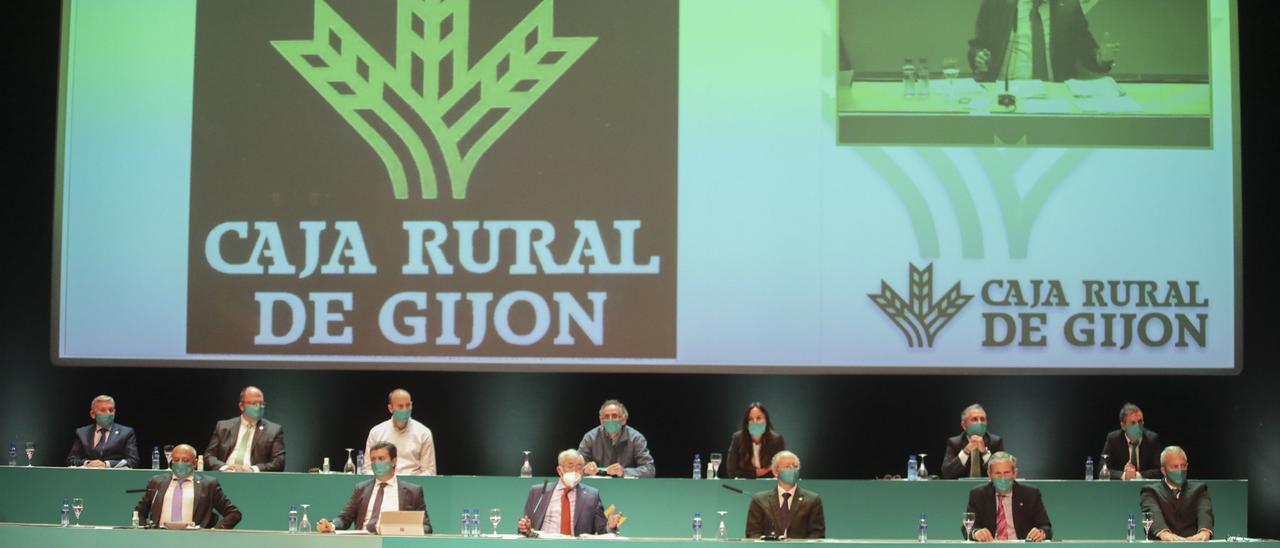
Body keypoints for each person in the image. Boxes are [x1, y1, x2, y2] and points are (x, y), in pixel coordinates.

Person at [967, 0, 1119, 82]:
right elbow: (978, 46)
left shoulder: (1068, 7)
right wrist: (979, 57)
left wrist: (1101, 58)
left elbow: (1086, 48)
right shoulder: (996, 4)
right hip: (1006, 89)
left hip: (1054, 92)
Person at [317, 441, 432, 534]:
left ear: (394, 461)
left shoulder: (413, 491)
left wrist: (405, 530)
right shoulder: (361, 489)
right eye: (373, 459)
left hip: (394, 543)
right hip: (363, 543)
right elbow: (344, 519)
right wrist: (331, 525)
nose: (376, 463)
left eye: (381, 459)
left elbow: (426, 527)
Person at [517, 449, 622, 536]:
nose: (575, 470)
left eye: (579, 466)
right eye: (570, 466)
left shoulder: (592, 495)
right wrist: (524, 527)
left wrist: (610, 526)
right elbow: (526, 528)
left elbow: (602, 530)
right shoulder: (538, 492)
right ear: (559, 470)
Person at [134, 444, 241, 529]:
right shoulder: (157, 482)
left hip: (194, 540)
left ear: (194, 463)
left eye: (185, 460)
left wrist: (215, 531)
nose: (180, 463)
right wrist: (144, 531)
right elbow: (140, 511)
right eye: (176, 460)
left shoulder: (208, 484)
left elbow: (233, 513)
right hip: (159, 537)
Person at [963, 451, 1052, 542]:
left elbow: (1046, 527)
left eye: (1006, 473)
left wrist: (1041, 533)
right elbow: (968, 528)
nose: (1002, 478)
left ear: (1015, 473)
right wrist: (976, 533)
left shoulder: (1030, 494)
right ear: (989, 474)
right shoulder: (978, 495)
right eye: (997, 473)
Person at [745, 451, 825, 539]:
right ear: (775, 472)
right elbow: (753, 533)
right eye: (787, 467)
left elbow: (817, 534)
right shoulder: (759, 500)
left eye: (795, 467)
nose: (792, 470)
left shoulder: (812, 500)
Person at [204, 386, 286, 472]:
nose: (259, 407)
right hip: (225, 475)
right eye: (254, 403)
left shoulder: (273, 430)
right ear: (242, 406)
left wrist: (253, 469)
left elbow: (279, 462)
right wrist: (225, 467)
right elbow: (208, 456)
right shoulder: (223, 427)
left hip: (254, 479)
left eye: (262, 404)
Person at [1139, 446, 1214, 541]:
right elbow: (1153, 514)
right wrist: (1164, 533)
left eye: (1183, 466)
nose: (1180, 470)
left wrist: (1204, 532)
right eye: (1175, 467)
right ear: (1163, 471)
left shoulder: (1200, 489)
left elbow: (1205, 512)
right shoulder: (1150, 491)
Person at [363, 388, 437, 475]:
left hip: (412, 485)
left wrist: (413, 486)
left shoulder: (424, 433)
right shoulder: (376, 432)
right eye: (400, 406)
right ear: (390, 408)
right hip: (384, 484)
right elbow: (368, 468)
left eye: (408, 405)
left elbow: (429, 470)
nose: (405, 409)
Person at [578, 400, 655, 478]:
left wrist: (624, 472)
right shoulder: (590, 437)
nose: (610, 420)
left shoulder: (636, 438)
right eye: (606, 417)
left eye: (614, 416)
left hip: (627, 486)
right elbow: (575, 466)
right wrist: (585, 469)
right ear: (601, 421)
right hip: (598, 486)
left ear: (623, 420)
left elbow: (649, 470)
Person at [66, 395, 140, 468]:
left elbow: (133, 460)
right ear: (92, 414)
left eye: (111, 410)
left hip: (115, 477)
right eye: (103, 410)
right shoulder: (82, 433)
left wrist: (106, 464)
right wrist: (88, 463)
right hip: (87, 476)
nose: (108, 413)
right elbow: (71, 460)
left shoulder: (126, 433)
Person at [942, 404, 1006, 479]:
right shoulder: (954, 443)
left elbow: (1002, 472)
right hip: (961, 488)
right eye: (975, 419)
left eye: (982, 419)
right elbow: (947, 473)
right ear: (964, 425)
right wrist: (966, 451)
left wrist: (984, 452)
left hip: (987, 489)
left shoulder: (995, 442)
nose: (979, 423)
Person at [1101, 402, 1162, 480]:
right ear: (1123, 426)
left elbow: (1160, 471)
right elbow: (1102, 469)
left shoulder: (1152, 439)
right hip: (1120, 488)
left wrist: (1136, 475)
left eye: (1140, 422)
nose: (1138, 426)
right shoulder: (1113, 439)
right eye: (1133, 423)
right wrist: (1124, 475)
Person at [725, 402, 786, 479]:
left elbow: (781, 469)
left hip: (768, 486)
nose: (755, 422)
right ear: (746, 423)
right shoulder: (737, 438)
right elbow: (732, 472)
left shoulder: (776, 440)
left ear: (766, 420)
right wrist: (756, 473)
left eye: (759, 418)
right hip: (744, 485)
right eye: (751, 419)